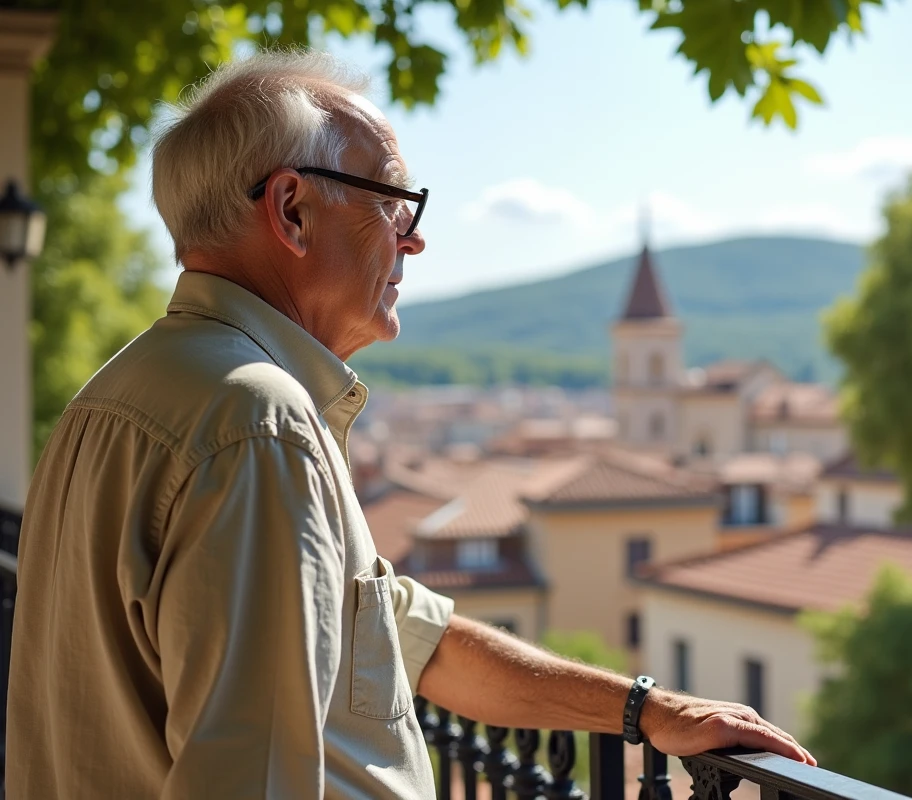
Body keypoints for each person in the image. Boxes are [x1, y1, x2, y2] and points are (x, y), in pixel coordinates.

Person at [6, 51, 816, 799]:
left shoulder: (119, 393)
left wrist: (643, 706)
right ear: (292, 210)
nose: (415, 238)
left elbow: (397, 634)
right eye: (393, 201)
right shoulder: (258, 421)